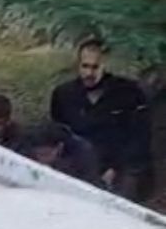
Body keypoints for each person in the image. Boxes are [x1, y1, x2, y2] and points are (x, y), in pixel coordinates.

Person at [50, 37, 153, 200]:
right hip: (80, 161)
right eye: (85, 66)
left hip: (121, 163)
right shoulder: (64, 94)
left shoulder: (129, 93)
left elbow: (139, 138)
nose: (89, 73)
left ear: (106, 66)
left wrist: (114, 168)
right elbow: (59, 132)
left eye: (95, 67)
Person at [20, 122, 104, 186]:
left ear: (59, 147)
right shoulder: (26, 146)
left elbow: (88, 182)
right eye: (38, 155)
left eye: (46, 154)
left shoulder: (83, 154)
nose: (42, 160)